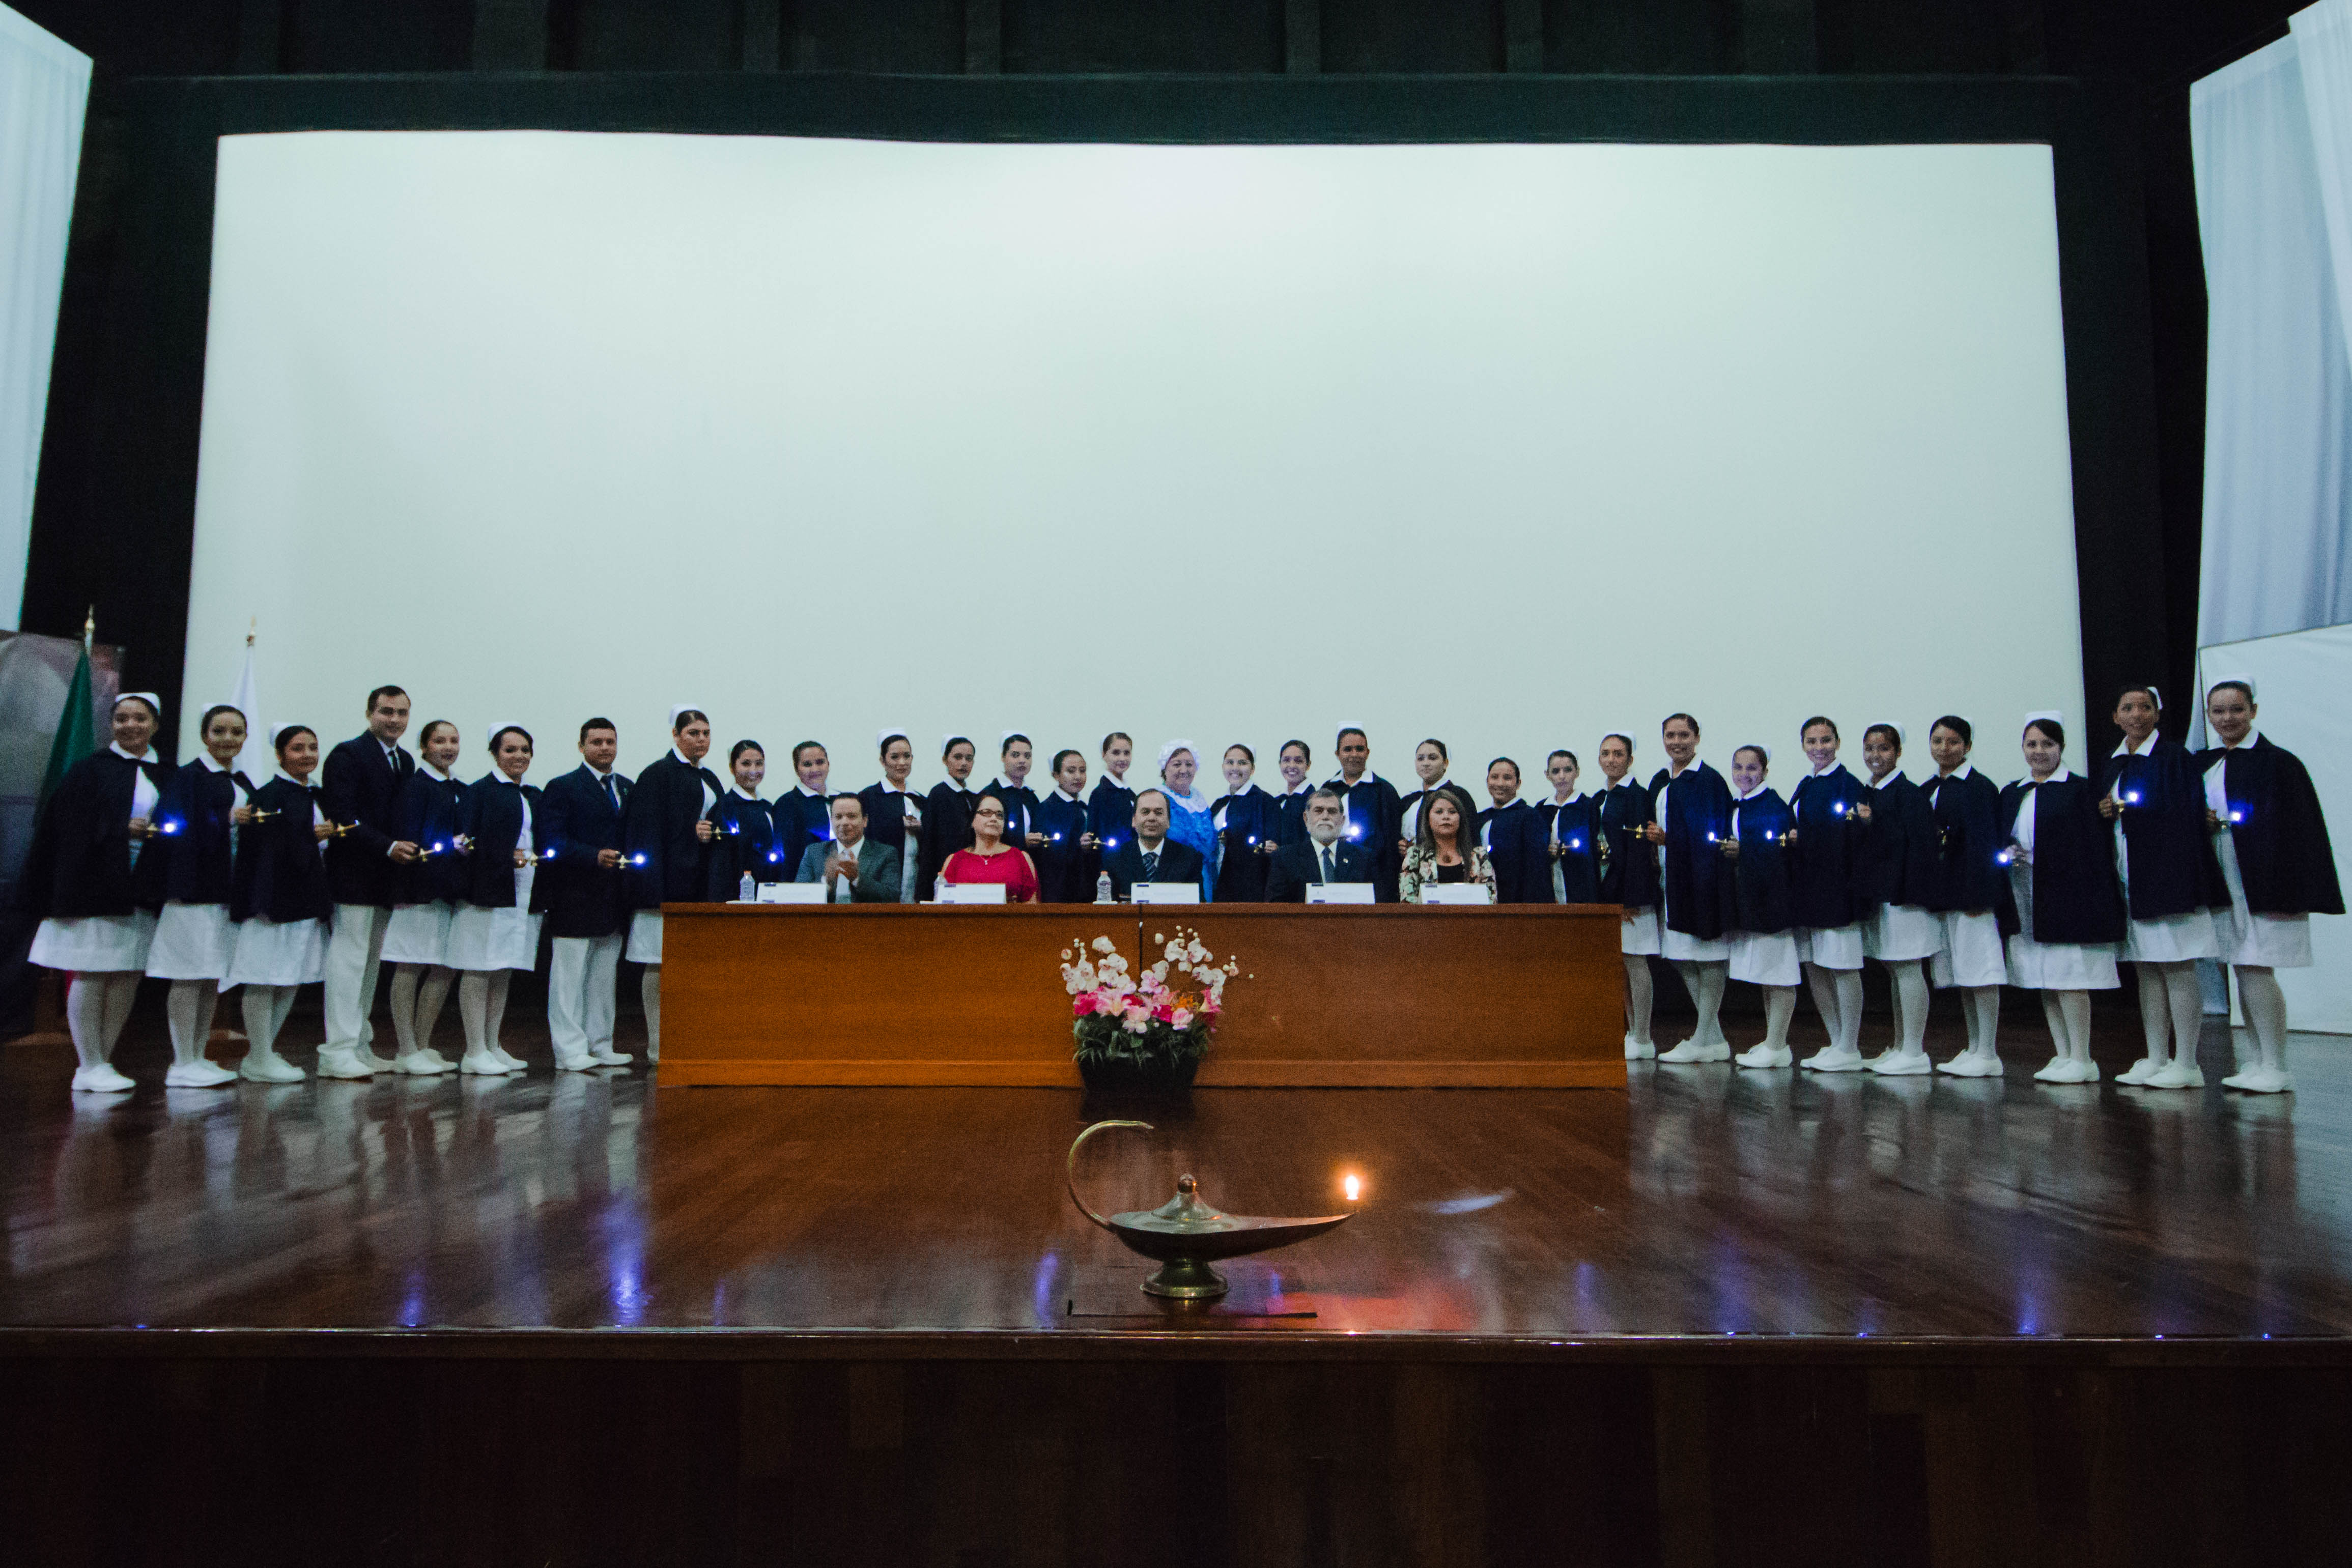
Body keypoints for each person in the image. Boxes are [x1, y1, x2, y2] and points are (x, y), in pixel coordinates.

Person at [21, 692, 171, 1093]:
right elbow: (67, 827)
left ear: (155, 724)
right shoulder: (90, 770)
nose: (131, 726)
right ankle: (87, 1063)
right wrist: (119, 828)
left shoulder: (166, 772)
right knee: (93, 970)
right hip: (96, 886)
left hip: (142, 888)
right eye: (122, 719)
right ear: (112, 725)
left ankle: (105, 1058)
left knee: (126, 973)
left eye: (140, 719)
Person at [2198, 678, 2343, 1093]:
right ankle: (2257, 1059)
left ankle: (2275, 1062)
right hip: (2224, 870)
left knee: (2258, 964)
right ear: (2209, 715)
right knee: (2242, 965)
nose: (2227, 718)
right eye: (2218, 711)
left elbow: (2299, 832)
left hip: (2263, 877)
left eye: (2236, 710)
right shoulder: (2205, 763)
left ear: (2253, 711)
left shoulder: (2278, 763)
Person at [2097, 685, 2224, 1090]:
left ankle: (2187, 1060)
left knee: (2177, 966)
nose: (2137, 714)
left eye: (2145, 707)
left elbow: (2184, 817)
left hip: (2167, 879)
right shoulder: (2113, 763)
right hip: (2129, 877)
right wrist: (2104, 810)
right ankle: (2155, 1056)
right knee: (2147, 969)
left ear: (2157, 712)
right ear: (2115, 716)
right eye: (2127, 707)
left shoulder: (2173, 758)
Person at [1998, 715, 2124, 1084]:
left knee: (2069, 976)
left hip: (2067, 895)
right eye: (2031, 745)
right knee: (2044, 976)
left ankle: (2082, 1057)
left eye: (2047, 745)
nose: (2039, 752)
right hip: (2025, 891)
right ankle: (2062, 1053)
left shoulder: (2081, 790)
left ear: (2061, 748)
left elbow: (2089, 846)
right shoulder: (2013, 791)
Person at [143, 702, 254, 1088]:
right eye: (219, 731)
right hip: (193, 892)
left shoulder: (239, 780)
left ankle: (198, 1054)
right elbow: (171, 826)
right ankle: (181, 1060)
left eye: (236, 732)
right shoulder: (189, 776)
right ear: (204, 735)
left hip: (224, 892)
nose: (228, 739)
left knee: (210, 977)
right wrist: (222, 821)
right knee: (189, 976)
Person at [316, 685, 421, 1080]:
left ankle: (359, 1044)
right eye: (386, 711)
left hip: (386, 876)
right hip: (353, 874)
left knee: (371, 962)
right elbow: (342, 816)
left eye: (401, 713)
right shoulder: (347, 754)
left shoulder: (405, 760)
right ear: (369, 713)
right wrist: (388, 845)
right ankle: (336, 1050)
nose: (394, 719)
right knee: (348, 960)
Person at [226, 724, 336, 1084]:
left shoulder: (316, 793)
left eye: (312, 747)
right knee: (263, 977)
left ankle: (264, 1051)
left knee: (291, 976)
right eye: (297, 748)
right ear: (280, 754)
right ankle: (257, 1053)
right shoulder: (269, 794)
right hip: (273, 898)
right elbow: (267, 847)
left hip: (307, 896)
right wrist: (309, 836)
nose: (306, 754)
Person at [623, 706, 722, 1064]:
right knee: (656, 961)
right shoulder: (657, 774)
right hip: (663, 887)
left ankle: (682, 1038)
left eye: (706, 733)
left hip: (696, 884)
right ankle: (656, 1043)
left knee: (684, 964)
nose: (700, 739)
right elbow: (646, 832)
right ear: (676, 735)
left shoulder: (710, 777)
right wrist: (651, 891)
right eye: (693, 732)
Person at [448, 725, 545, 1074]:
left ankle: (492, 1043)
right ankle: (473, 1050)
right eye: (510, 750)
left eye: (524, 749)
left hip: (521, 891)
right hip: (486, 892)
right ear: (495, 753)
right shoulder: (480, 791)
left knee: (503, 967)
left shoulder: (532, 794)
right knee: (479, 965)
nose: (518, 756)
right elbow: (463, 841)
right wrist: (505, 854)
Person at [539, 717, 634, 1068]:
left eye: (610, 741)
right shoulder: (562, 787)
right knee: (568, 978)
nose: (604, 747)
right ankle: (568, 1049)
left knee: (603, 976)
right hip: (573, 895)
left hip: (613, 898)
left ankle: (601, 1042)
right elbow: (551, 841)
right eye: (596, 742)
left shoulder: (627, 786)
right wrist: (592, 856)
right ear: (581, 746)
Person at [377, 719, 467, 1077]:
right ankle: (405, 1048)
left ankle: (423, 1043)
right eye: (439, 740)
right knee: (410, 964)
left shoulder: (460, 787)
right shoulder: (415, 786)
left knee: (444, 966)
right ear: (424, 746)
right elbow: (411, 835)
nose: (448, 746)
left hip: (450, 890)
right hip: (419, 889)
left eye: (454, 740)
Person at [1853, 722, 1943, 1074]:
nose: (1876, 756)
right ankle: (1901, 1043)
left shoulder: (1908, 793)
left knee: (1907, 968)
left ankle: (1915, 1050)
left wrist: (1874, 822)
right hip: (1881, 895)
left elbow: (1918, 845)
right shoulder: (1868, 791)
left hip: (1904, 896)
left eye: (1884, 748)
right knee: (1893, 969)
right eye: (1870, 749)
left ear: (1897, 752)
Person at [1644, 714, 1734, 1063]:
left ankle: (1703, 1038)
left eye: (1684, 735)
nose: (1677, 741)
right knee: (1683, 957)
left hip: (1701, 881)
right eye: (1670, 735)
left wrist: (1670, 840)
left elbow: (1710, 833)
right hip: (1671, 881)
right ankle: (1712, 1036)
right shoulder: (1661, 780)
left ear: (1697, 737)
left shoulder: (1708, 780)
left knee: (1707, 958)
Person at [1924, 716, 2009, 1077]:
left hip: (1972, 894)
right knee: (1962, 973)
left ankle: (1988, 1050)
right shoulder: (1928, 787)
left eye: (1954, 742)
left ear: (1968, 746)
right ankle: (1973, 1044)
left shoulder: (1978, 787)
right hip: (1945, 894)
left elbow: (1984, 845)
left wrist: (1980, 893)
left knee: (1981, 971)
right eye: (1938, 741)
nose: (1945, 748)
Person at [1787, 718, 1870, 1072]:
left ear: (1837, 741)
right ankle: (1835, 1040)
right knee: (1815, 966)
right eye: (1811, 741)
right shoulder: (1807, 784)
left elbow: (1853, 843)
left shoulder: (1848, 784)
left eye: (1825, 740)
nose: (1818, 747)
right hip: (1807, 890)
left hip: (1837, 891)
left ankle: (1849, 1045)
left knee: (1842, 965)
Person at [1720, 746, 1801, 1068]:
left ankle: (1778, 1043)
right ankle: (1773, 1041)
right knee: (1767, 974)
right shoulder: (1741, 802)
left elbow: (1776, 852)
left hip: (1773, 901)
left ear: (1765, 771)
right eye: (1738, 767)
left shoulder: (1773, 806)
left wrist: (1744, 850)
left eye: (1752, 768)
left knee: (1780, 973)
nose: (1744, 774)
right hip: (1751, 899)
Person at [1595, 733, 1661, 1059]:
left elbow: (1637, 851)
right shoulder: (1601, 797)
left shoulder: (1636, 795)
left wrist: (1628, 899)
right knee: (1621, 966)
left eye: (1618, 754)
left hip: (1631, 897)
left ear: (1630, 759)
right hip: (1612, 897)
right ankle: (1632, 1032)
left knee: (1636, 964)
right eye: (1605, 753)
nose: (1611, 759)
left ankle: (1644, 1036)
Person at [1328, 726, 1404, 901]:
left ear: (1368, 753)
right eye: (1347, 749)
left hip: (1376, 875)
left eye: (1360, 749)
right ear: (1337, 754)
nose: (1354, 754)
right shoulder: (1328, 789)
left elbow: (1392, 841)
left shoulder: (1385, 791)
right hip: (1335, 871)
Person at [1265, 787, 1374, 901]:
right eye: (1319, 811)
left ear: (1342, 821)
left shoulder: (1363, 858)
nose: (1325, 817)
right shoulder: (1285, 858)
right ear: (1306, 819)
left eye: (1332, 811)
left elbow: (1377, 906)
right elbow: (1275, 907)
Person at [706, 739, 785, 895]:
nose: (753, 770)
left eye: (759, 764)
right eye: (746, 764)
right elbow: (720, 865)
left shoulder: (768, 808)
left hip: (768, 894)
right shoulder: (725, 807)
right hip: (736, 897)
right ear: (732, 768)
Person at [795, 793, 904, 902]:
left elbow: (893, 897)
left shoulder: (886, 853)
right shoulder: (814, 852)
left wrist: (857, 878)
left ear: (865, 821)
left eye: (851, 816)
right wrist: (826, 881)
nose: (844, 823)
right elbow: (797, 896)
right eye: (838, 817)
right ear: (831, 820)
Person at [857, 730, 924, 903]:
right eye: (894, 757)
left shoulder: (920, 799)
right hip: (880, 878)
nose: (902, 763)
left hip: (914, 874)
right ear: (883, 761)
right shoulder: (868, 797)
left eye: (907, 756)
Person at [1103, 789, 1205, 900]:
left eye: (1159, 813)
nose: (1152, 818)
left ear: (1169, 821)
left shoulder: (1189, 858)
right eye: (1145, 812)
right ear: (1134, 820)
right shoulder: (1114, 859)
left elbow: (1198, 908)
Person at [1529, 751, 1602, 906]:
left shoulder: (1588, 806)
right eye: (1556, 771)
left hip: (1580, 883)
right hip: (1550, 880)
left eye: (1568, 770)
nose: (1562, 776)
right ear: (1547, 775)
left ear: (1577, 772)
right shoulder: (1541, 809)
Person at [939, 794, 1041, 903]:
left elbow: (1032, 908)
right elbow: (945, 905)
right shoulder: (955, 860)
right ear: (972, 821)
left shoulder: (1020, 858)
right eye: (987, 813)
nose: (994, 819)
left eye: (999, 815)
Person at [1211, 744, 1280, 902]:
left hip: (1251, 886)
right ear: (1223, 766)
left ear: (1253, 768)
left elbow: (1272, 848)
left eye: (1242, 763)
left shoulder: (1265, 801)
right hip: (1219, 880)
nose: (1235, 768)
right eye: (1230, 762)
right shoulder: (1219, 804)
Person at [1032, 749, 1101, 903]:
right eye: (1071, 771)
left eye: (1082, 771)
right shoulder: (1046, 809)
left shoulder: (1086, 808)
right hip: (1060, 894)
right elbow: (1047, 857)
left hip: (1088, 891)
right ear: (1056, 775)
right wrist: (1078, 846)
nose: (1078, 776)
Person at [1400, 793, 1495, 903]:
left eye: (1452, 812)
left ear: (1461, 819)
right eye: (1439, 812)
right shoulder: (1415, 855)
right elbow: (1407, 903)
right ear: (1428, 820)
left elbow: (1491, 900)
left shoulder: (1479, 856)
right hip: (1428, 920)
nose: (1446, 817)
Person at [1480, 757, 1549, 905]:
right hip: (1484, 897)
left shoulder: (1530, 817)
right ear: (1487, 781)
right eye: (1494, 777)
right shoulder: (1481, 818)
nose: (1500, 783)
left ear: (1518, 783)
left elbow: (1536, 869)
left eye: (1507, 778)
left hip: (1518, 901)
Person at [1155, 742, 1220, 899]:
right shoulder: (1158, 799)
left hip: (1206, 876)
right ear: (1165, 767)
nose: (1184, 770)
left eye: (1189, 764)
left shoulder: (1200, 800)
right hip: (1175, 877)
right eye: (1177, 764)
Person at [920, 736, 982, 899]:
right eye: (957, 757)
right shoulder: (938, 795)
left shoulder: (974, 797)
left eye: (969, 759)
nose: (963, 763)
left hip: (971, 874)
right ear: (945, 760)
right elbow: (928, 844)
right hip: (945, 875)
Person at [1398, 740, 1481, 853]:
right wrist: (1401, 845)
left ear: (1445, 763)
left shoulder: (1458, 796)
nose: (1426, 763)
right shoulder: (1409, 800)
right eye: (1421, 758)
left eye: (1433, 758)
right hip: (1412, 867)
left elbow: (1471, 838)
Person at [770, 741, 835, 875]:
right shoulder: (786, 804)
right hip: (804, 882)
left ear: (828, 764)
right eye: (807, 764)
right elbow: (785, 855)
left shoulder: (841, 799)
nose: (815, 769)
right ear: (796, 769)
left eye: (820, 762)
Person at [981, 734, 1047, 857]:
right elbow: (986, 837)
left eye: (1027, 756)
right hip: (999, 864)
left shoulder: (1031, 796)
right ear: (1003, 757)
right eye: (1015, 755)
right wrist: (1023, 842)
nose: (1022, 761)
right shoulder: (992, 794)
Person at [1088, 732, 1139, 854]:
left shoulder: (1130, 793)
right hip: (1112, 863)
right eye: (1116, 753)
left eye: (1127, 753)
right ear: (1104, 755)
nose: (1122, 759)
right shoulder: (1100, 794)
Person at [1270, 740, 1316, 847]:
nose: (1292, 766)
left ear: (1308, 765)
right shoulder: (1277, 800)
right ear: (1280, 763)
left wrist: (1281, 851)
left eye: (1298, 761)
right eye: (1286, 760)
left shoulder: (1313, 800)